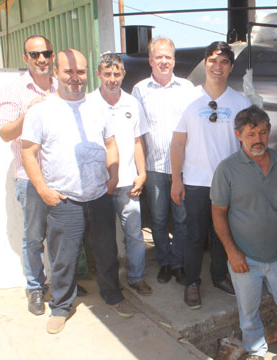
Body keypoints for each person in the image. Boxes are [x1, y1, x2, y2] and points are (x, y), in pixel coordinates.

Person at [21, 49, 135, 335]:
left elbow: (111, 143)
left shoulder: (98, 108)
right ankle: (61, 306)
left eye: (80, 71)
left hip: (98, 197)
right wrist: (44, 191)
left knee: (107, 253)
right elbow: (28, 153)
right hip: (63, 199)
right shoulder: (41, 110)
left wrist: (113, 176)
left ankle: (112, 295)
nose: (75, 77)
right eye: (69, 72)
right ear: (56, 73)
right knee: (63, 258)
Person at [210, 106, 277, 360]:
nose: (258, 139)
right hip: (244, 258)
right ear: (238, 134)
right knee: (248, 312)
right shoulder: (227, 170)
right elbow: (218, 214)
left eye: (262, 132)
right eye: (251, 134)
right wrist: (232, 252)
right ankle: (256, 351)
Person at [171, 41, 252, 308]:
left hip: (228, 184)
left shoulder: (241, 102)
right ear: (205, 63)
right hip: (195, 182)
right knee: (194, 236)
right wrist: (176, 180)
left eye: (224, 62)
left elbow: (248, 145)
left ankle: (219, 276)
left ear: (230, 67)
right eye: (213, 60)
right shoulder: (187, 99)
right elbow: (178, 143)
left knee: (223, 234)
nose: (218, 67)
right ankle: (192, 282)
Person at [0, 35, 57, 316]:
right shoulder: (14, 91)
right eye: (35, 55)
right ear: (25, 59)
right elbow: (5, 133)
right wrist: (29, 114)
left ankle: (60, 283)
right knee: (34, 237)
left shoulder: (61, 87)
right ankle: (35, 288)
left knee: (61, 234)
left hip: (61, 177)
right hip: (29, 179)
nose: (41, 59)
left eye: (45, 53)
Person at [132, 37, 193, 285]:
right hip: (155, 168)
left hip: (183, 168)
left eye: (168, 56)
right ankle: (165, 262)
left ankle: (178, 263)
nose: (164, 61)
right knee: (158, 220)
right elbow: (136, 131)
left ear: (174, 59)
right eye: (159, 57)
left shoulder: (188, 88)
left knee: (182, 219)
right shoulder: (140, 90)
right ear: (150, 60)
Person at [90, 52, 151, 295]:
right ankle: (108, 282)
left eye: (117, 74)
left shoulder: (132, 103)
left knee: (135, 235)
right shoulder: (88, 104)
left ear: (123, 74)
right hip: (98, 185)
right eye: (107, 74)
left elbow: (138, 141)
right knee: (101, 239)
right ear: (99, 74)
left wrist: (142, 173)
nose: (112, 79)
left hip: (128, 182)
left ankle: (137, 277)